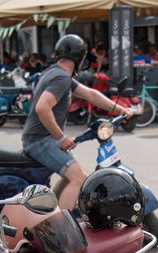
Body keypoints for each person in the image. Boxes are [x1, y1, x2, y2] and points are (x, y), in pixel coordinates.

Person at [22, 34, 135, 211]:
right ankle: (62, 232)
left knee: (70, 177)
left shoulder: (55, 73)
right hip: (41, 140)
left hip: (41, 139)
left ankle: (52, 215)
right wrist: (60, 138)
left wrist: (120, 109)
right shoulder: (61, 78)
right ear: (80, 58)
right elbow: (42, 107)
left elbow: (90, 94)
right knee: (79, 178)